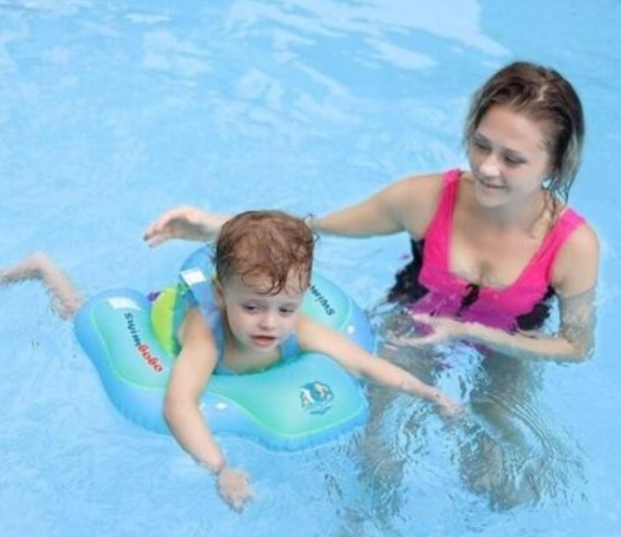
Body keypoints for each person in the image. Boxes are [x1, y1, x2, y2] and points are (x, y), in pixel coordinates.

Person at [1, 211, 457, 512]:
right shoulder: (207, 337)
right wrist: (221, 469)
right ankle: (43, 268)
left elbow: (363, 363)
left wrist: (426, 391)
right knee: (75, 310)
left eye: (284, 308)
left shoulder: (294, 326)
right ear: (221, 296)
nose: (270, 324)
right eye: (253, 308)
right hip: (161, 317)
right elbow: (178, 404)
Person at [143, 61, 599, 362]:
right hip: (411, 321)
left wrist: (471, 332)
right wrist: (216, 226)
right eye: (481, 145)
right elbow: (316, 228)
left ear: (554, 166)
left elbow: (575, 346)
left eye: (513, 159)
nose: (487, 168)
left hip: (509, 350)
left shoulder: (572, 246)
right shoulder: (425, 199)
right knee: (380, 444)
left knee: (497, 465)